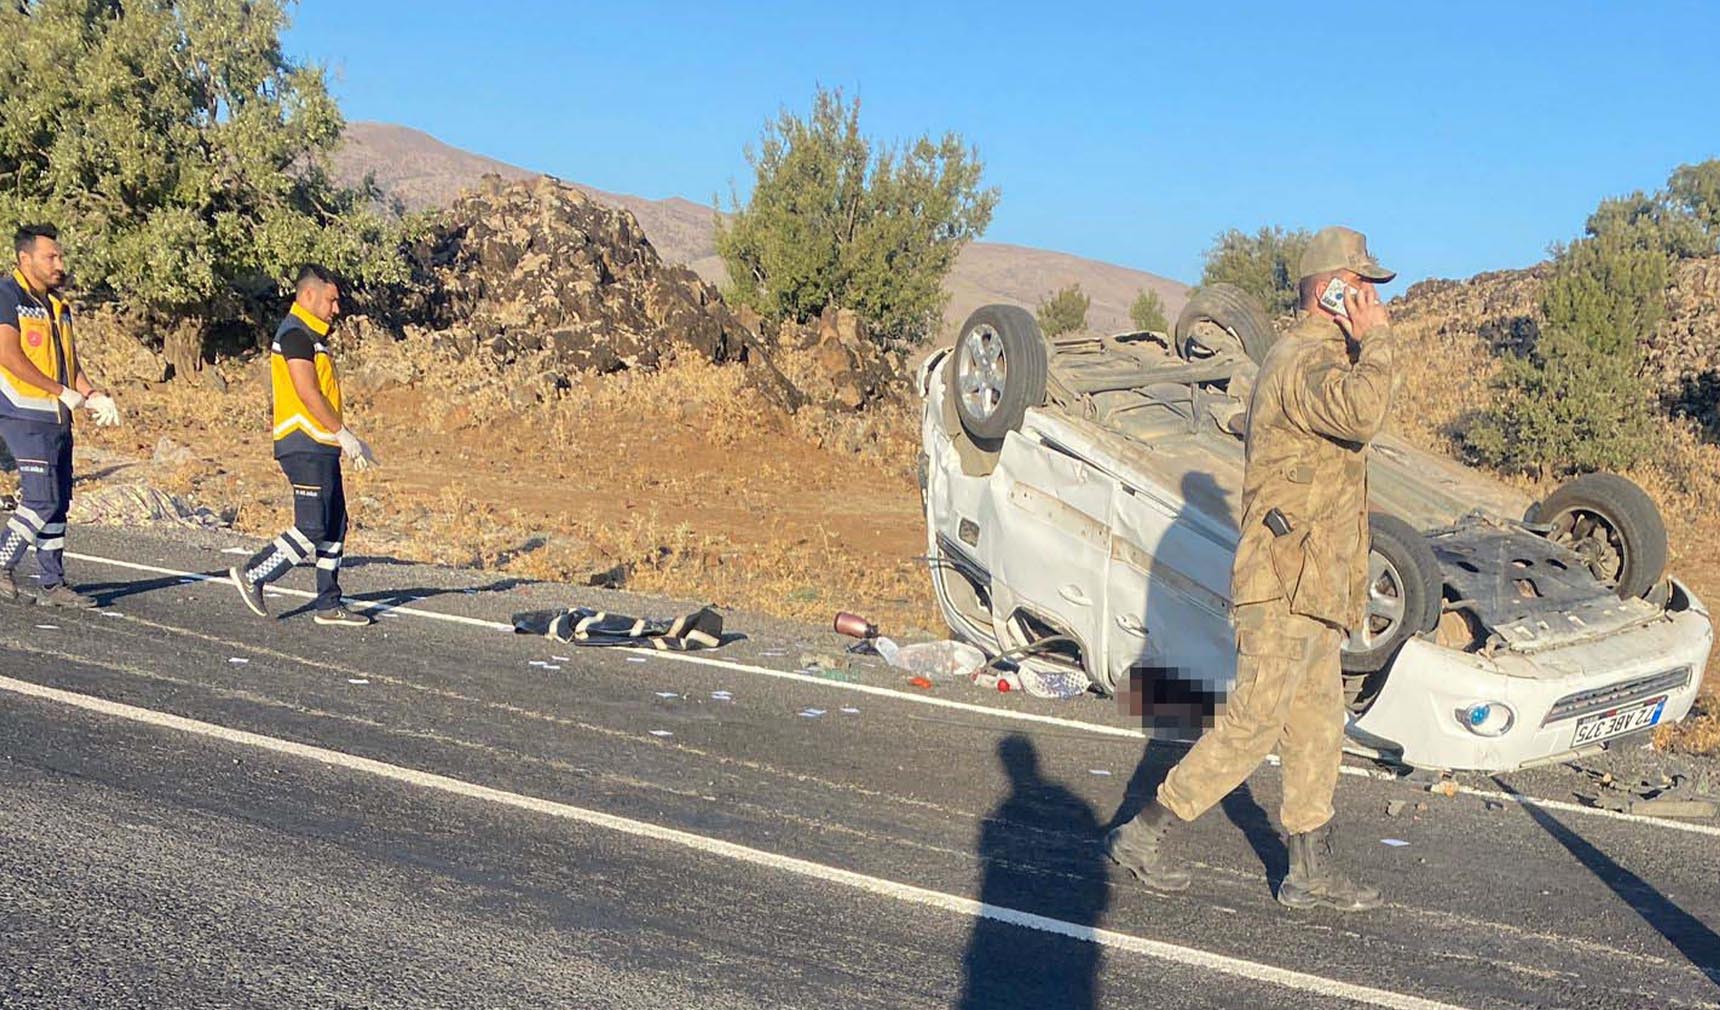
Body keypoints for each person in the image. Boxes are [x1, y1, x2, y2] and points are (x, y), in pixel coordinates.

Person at [1107, 226, 1399, 912]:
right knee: (1256, 721)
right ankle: (1143, 834)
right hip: (1284, 583)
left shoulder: (1326, 360)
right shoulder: (1303, 362)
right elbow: (1363, 414)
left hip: (1315, 585)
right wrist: (1378, 339)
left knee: (1318, 726)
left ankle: (1307, 872)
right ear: (1329, 291)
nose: (1371, 299)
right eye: (1360, 287)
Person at [229, 264, 377, 626]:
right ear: (307, 295)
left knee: (335, 524)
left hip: (321, 443)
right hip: (302, 442)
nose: (336, 309)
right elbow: (307, 392)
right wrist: (343, 433)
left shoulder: (313, 337)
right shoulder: (295, 334)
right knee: (312, 525)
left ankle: (329, 603)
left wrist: (345, 437)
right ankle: (254, 573)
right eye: (331, 300)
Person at [0, 224, 122, 606]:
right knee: (40, 499)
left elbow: (71, 363)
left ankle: (53, 583)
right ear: (25, 258)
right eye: (50, 256)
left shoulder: (58, 305)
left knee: (59, 503)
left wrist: (91, 393)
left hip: (58, 418)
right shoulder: (7, 294)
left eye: (60, 256)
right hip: (22, 414)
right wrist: (60, 391)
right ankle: (2, 563)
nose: (59, 263)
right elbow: (7, 353)